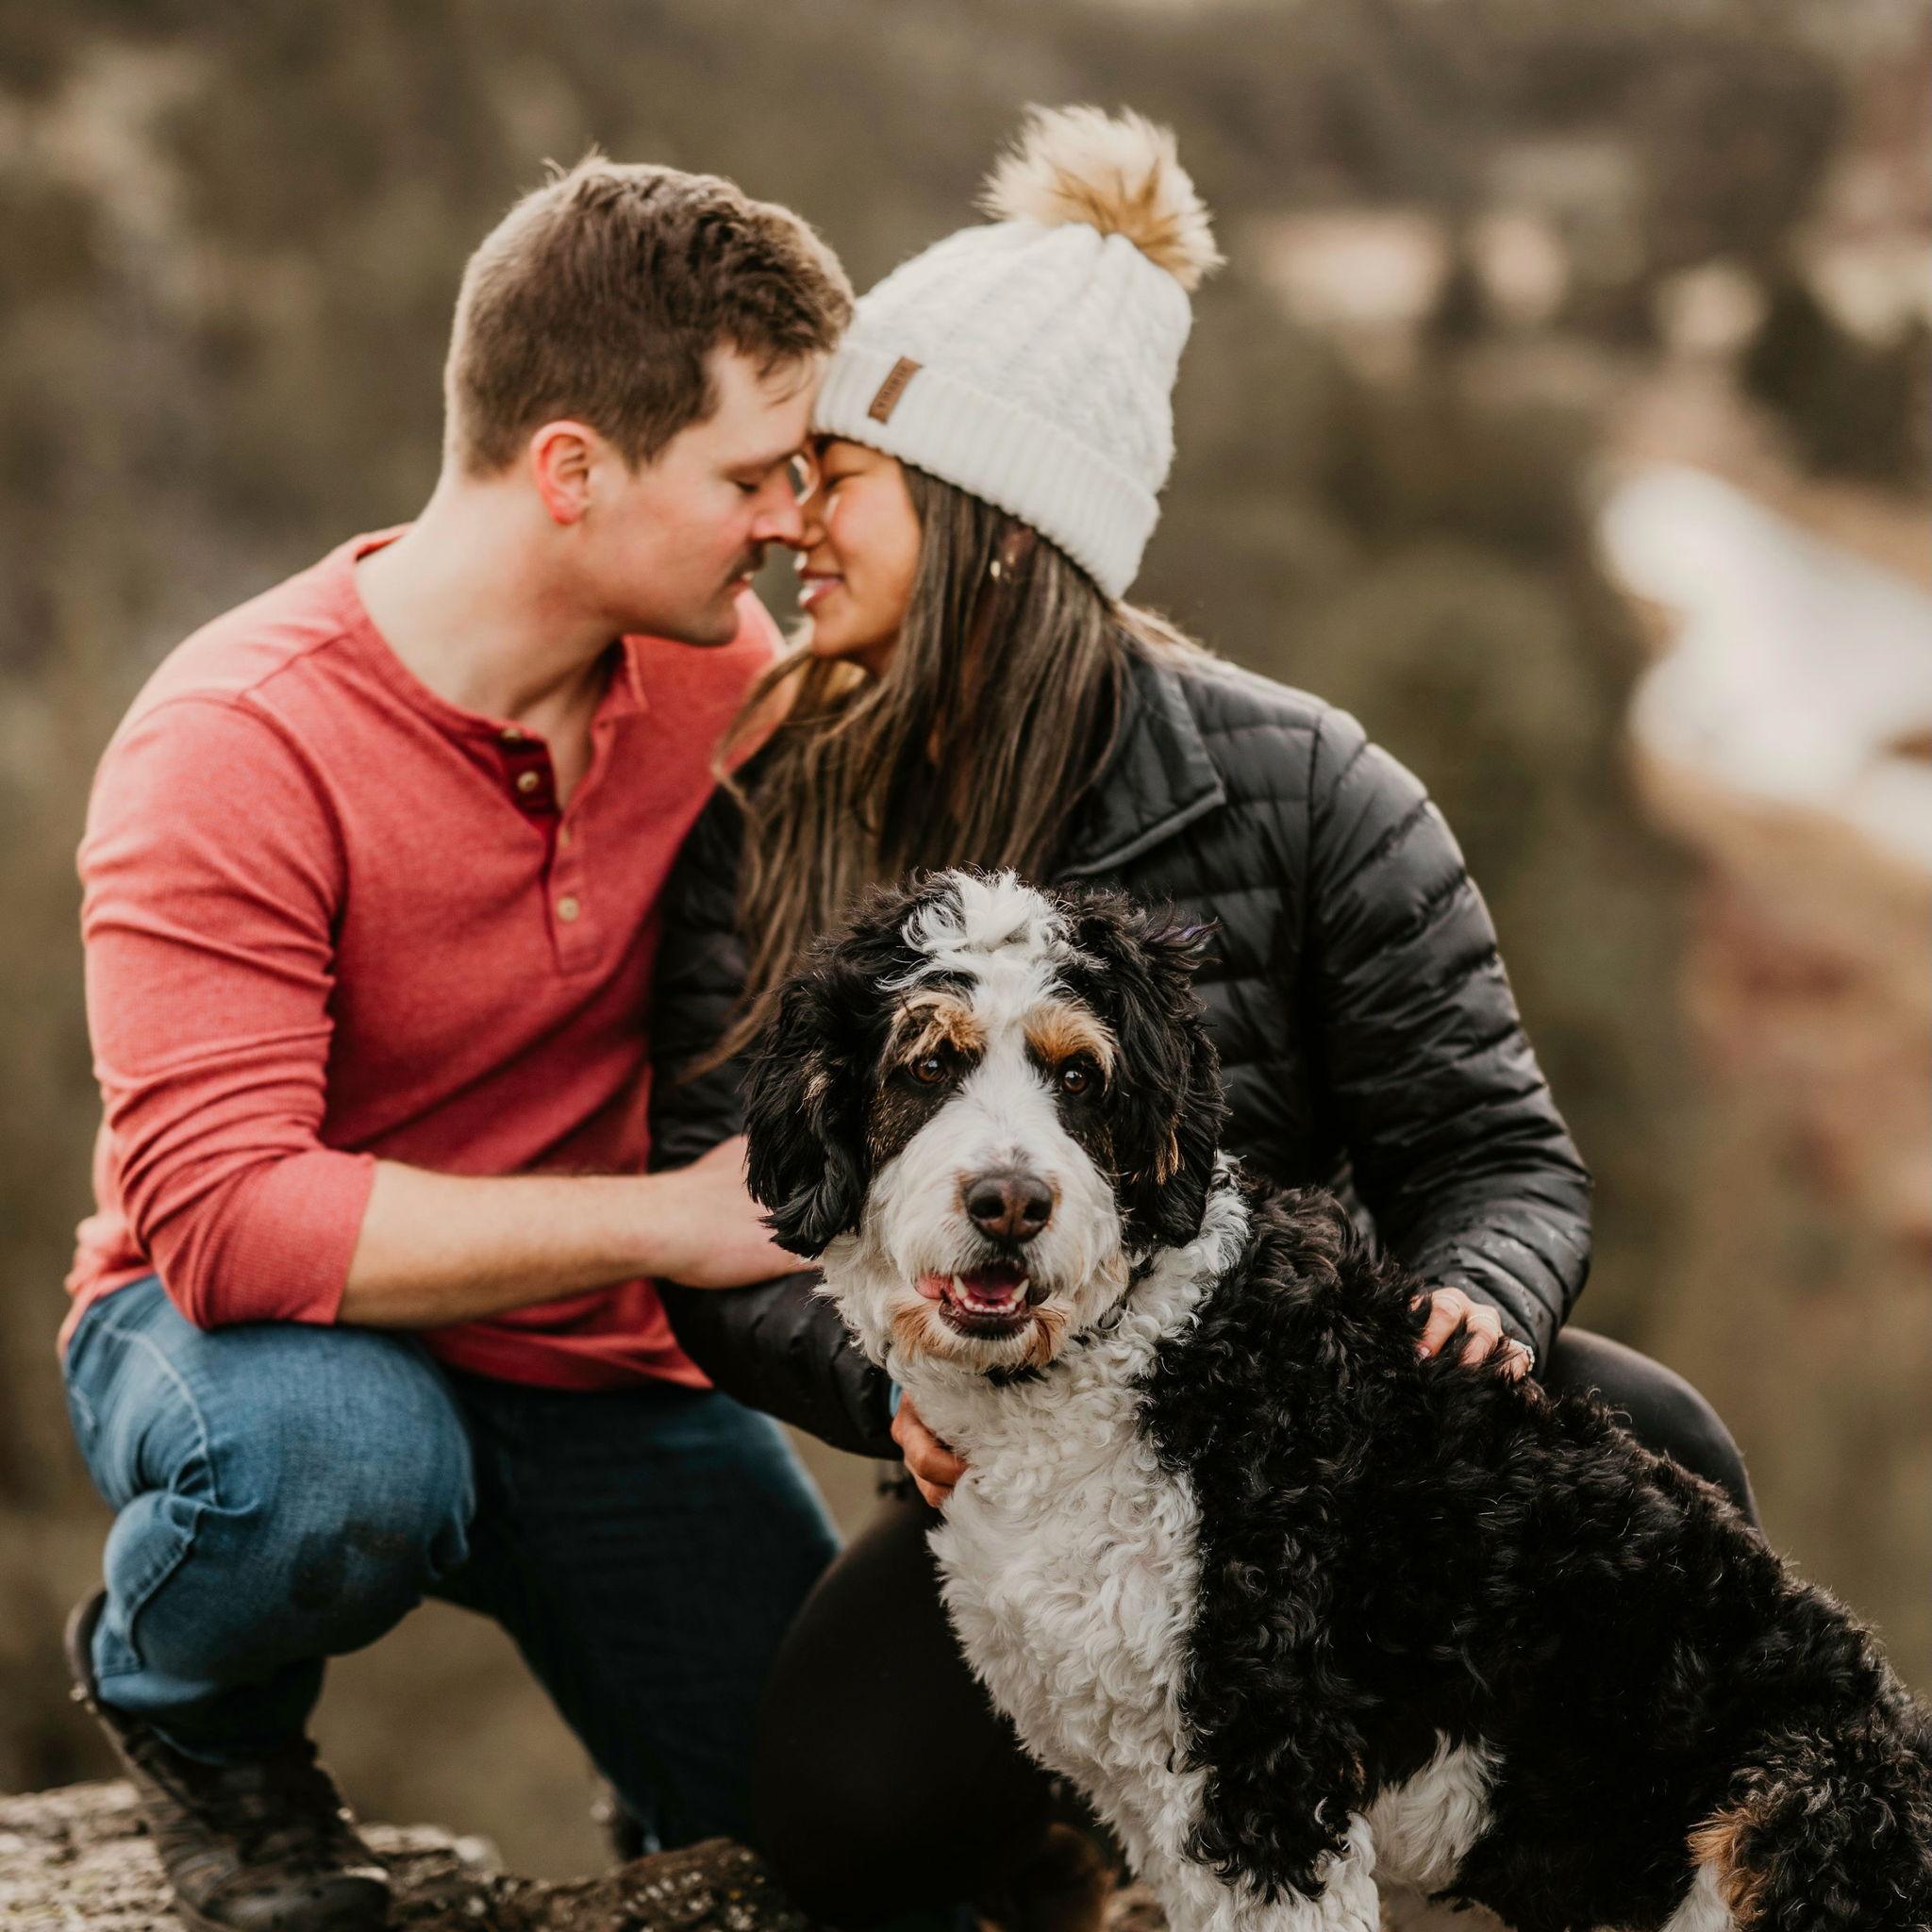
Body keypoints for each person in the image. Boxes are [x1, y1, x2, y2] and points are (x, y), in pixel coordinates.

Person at [644, 107, 1760, 1929]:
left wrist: (1481, 1297)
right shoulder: (773, 816)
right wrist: (886, 1387)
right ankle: (1106, 1861)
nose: (795, 525)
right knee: (842, 1809)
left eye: (842, 477)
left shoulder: (1311, 793)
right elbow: (721, 1212)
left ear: (986, 521)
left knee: (1665, 1452)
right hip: (1011, 1473)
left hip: (1327, 1450)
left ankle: (1613, 1877)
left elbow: (1500, 1157)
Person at [60, 157, 853, 1932]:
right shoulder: (232, 744)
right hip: (251, 1347)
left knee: (852, 1824)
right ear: (572, 471)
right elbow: (228, 1222)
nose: (788, 522)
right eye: (749, 477)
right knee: (333, 1476)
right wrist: (669, 1223)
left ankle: (656, 1774)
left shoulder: (721, 676)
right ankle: (190, 1712)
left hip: (589, 1360)